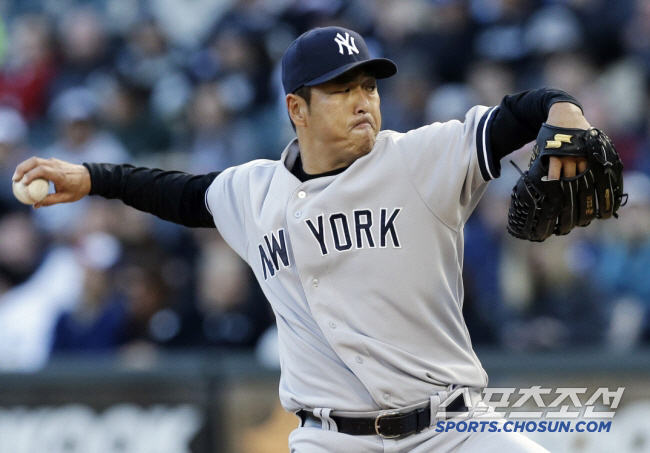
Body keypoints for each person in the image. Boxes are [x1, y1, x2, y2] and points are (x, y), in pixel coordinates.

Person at [13, 26, 592, 452]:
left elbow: (518, 113)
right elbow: (181, 194)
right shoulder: (253, 192)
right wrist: (92, 178)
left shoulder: (421, 157)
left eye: (368, 84)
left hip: (453, 431)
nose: (364, 99)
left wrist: (562, 108)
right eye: (341, 89)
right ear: (297, 108)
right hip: (332, 439)